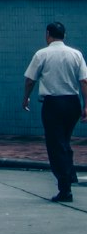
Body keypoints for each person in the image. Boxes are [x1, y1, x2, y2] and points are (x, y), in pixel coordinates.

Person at [22, 21, 87, 202]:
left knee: (55, 144)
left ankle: (64, 188)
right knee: (64, 140)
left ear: (48, 34)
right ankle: (70, 172)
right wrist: (86, 105)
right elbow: (84, 81)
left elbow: (30, 80)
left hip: (53, 104)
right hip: (72, 103)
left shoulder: (42, 54)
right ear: (64, 36)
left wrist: (26, 97)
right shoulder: (76, 54)